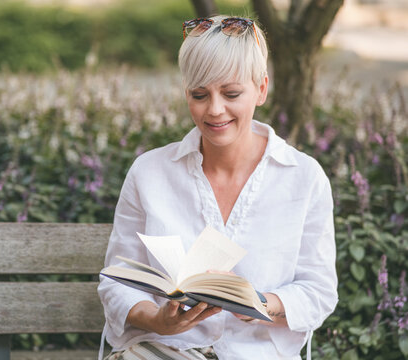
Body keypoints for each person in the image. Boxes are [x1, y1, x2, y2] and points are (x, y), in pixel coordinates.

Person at [97, 15, 338, 360]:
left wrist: (259, 303)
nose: (214, 110)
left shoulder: (304, 177)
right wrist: (157, 320)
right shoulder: (149, 172)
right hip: (164, 350)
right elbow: (117, 280)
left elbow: (318, 291)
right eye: (199, 94)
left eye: (231, 93)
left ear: (261, 88)